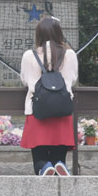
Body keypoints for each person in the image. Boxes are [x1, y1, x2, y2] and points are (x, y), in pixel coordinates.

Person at [18, 16, 78, 175]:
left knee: (39, 158)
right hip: (62, 110)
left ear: (38, 34)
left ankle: (44, 167)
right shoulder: (69, 54)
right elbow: (72, 79)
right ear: (59, 33)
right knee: (60, 156)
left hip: (37, 110)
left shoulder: (29, 56)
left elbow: (24, 79)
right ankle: (59, 165)